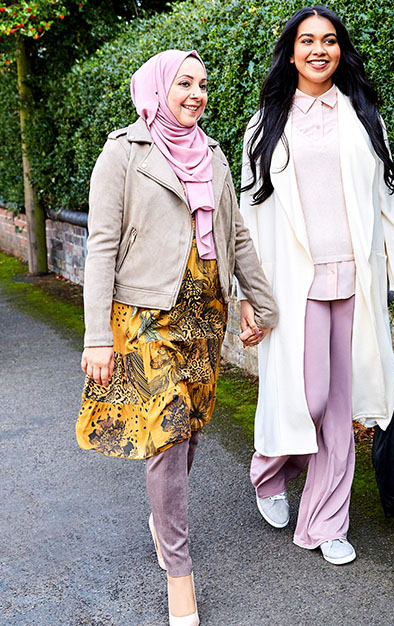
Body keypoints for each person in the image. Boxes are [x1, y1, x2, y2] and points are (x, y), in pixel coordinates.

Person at [76, 50, 277, 625]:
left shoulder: (212, 156)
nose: (195, 93)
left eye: (203, 84)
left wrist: (262, 304)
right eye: (184, 83)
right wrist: (96, 337)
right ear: (158, 87)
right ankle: (180, 576)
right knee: (165, 432)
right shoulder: (123, 152)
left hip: (203, 315)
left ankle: (162, 519)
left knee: (186, 431)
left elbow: (235, 238)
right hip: (145, 317)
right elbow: (101, 249)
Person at [239, 5, 394, 566]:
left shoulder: (363, 115)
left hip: (355, 280)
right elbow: (247, 218)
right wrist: (248, 295)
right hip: (295, 285)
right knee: (307, 397)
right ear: (290, 51)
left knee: (340, 408)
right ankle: (270, 469)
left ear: (340, 50)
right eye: (307, 41)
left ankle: (326, 521)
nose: (319, 50)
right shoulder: (266, 122)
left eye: (330, 40)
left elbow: (388, 204)